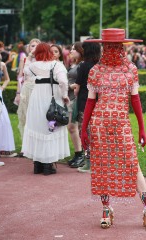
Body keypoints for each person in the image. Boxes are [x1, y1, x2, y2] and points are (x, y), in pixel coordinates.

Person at [81, 28, 146, 230]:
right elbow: (90, 102)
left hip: (121, 122)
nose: (113, 49)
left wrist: (142, 128)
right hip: (99, 123)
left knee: (132, 163)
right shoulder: (95, 71)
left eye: (116, 46)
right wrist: (84, 128)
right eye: (108, 46)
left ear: (122, 47)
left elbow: (135, 99)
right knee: (102, 166)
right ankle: (106, 208)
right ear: (103, 47)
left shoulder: (130, 69)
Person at [21, 43, 70, 175]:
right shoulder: (57, 65)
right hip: (52, 100)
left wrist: (30, 55)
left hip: (36, 100)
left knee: (37, 127)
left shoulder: (34, 65)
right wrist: (65, 95)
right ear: (49, 52)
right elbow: (63, 82)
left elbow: (25, 71)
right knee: (50, 128)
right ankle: (48, 165)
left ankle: (38, 165)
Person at [71, 40, 101, 169]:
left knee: (84, 132)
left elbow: (77, 88)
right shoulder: (100, 65)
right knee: (97, 133)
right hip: (100, 102)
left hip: (84, 101)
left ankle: (88, 163)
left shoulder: (83, 66)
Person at [0, 41, 16, 158]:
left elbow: (7, 79)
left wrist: (2, 87)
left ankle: (3, 147)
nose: (0, 52)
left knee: (4, 120)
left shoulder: (2, 65)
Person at [15, 38, 41, 142]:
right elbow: (20, 77)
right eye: (32, 46)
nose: (34, 48)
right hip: (26, 91)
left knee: (37, 117)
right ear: (29, 47)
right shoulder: (25, 59)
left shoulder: (43, 60)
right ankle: (25, 144)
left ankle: (36, 143)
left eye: (36, 46)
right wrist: (18, 93)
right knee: (25, 118)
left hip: (39, 91)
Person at [66, 42, 85, 170]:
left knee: (74, 126)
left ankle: (81, 154)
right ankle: (79, 153)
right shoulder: (75, 64)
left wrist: (72, 86)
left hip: (76, 98)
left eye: (74, 49)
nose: (71, 51)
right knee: (73, 127)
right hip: (70, 97)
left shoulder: (82, 65)